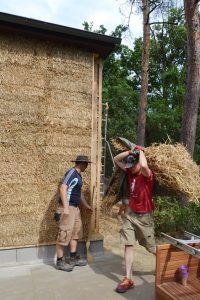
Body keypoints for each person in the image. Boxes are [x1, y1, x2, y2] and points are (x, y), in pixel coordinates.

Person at [114, 146, 156, 293]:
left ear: (138, 162)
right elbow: (116, 159)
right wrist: (131, 152)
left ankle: (171, 263)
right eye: (129, 166)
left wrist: (141, 151)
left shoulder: (147, 175)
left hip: (144, 217)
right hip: (131, 214)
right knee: (128, 244)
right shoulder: (130, 173)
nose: (130, 169)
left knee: (152, 248)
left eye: (133, 165)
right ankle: (128, 278)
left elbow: (144, 165)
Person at [55, 155, 93, 272]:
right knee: (64, 233)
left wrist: (86, 206)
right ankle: (60, 261)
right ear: (82, 164)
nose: (87, 166)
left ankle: (72, 258)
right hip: (68, 208)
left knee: (75, 233)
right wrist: (66, 208)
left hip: (75, 209)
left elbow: (79, 193)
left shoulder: (78, 176)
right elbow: (63, 188)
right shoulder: (71, 173)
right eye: (86, 164)